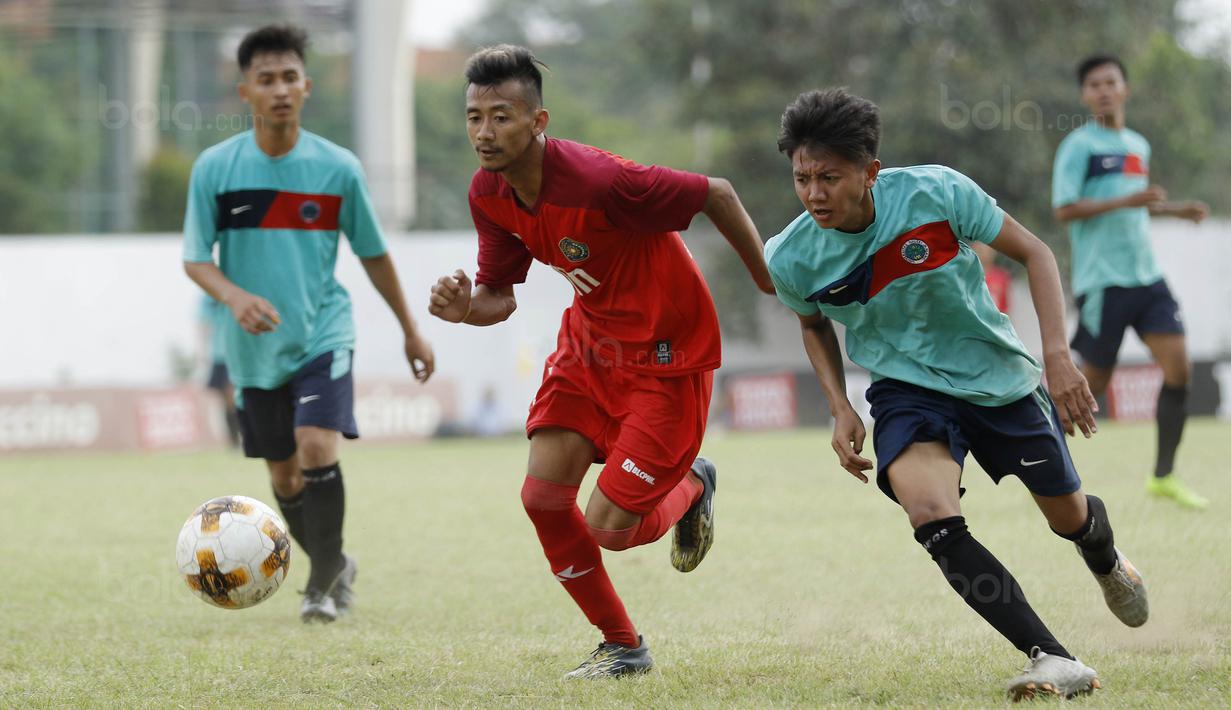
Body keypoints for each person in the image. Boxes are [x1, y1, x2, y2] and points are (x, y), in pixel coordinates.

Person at [764, 88, 1147, 700]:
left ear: (870, 173)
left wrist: (1057, 356)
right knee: (930, 514)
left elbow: (1036, 254)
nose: (813, 194)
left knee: (1068, 518)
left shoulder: (937, 193)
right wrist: (839, 404)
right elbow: (811, 321)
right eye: (802, 178)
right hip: (906, 390)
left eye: (829, 178)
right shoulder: (790, 255)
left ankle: (1101, 554)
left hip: (999, 377)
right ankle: (1052, 657)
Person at [428, 45, 775, 678]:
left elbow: (716, 194)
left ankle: (693, 483)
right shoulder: (489, 191)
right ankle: (623, 647)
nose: (484, 132)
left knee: (610, 529)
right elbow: (499, 298)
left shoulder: (601, 181)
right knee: (542, 497)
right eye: (474, 117)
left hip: (666, 359)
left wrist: (767, 281)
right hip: (590, 351)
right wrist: (462, 311)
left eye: (501, 116)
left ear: (539, 121)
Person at [182, 24, 435, 623]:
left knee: (316, 444)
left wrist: (410, 328)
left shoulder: (337, 168)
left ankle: (321, 583)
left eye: (289, 78)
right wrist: (235, 296)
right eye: (265, 79)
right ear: (245, 91)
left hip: (323, 331)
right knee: (285, 476)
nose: (279, 90)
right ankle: (335, 560)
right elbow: (196, 258)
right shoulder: (215, 170)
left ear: (307, 87)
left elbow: (373, 254)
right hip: (252, 349)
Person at [1052, 54, 1210, 510]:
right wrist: (1131, 200)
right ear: (1084, 95)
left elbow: (1131, 203)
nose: (1103, 90)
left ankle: (1163, 477)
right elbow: (1064, 209)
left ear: (1125, 89)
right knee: (1089, 386)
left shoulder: (1138, 144)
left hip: (1147, 275)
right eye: (1094, 84)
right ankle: (1038, 466)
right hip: (1103, 280)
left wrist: (1173, 209)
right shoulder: (1078, 146)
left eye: (1110, 82)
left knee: (1179, 368)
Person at [198, 294, 241, 448]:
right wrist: (202, 352)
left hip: (238, 352)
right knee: (226, 399)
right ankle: (234, 439)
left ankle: (243, 436)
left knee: (234, 395)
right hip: (218, 355)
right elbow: (203, 324)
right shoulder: (206, 298)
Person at [971, 240, 1012, 314]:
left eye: (987, 248)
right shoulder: (966, 275)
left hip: (993, 323)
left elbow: (1005, 308)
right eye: (980, 247)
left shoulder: (1001, 277)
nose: (984, 251)